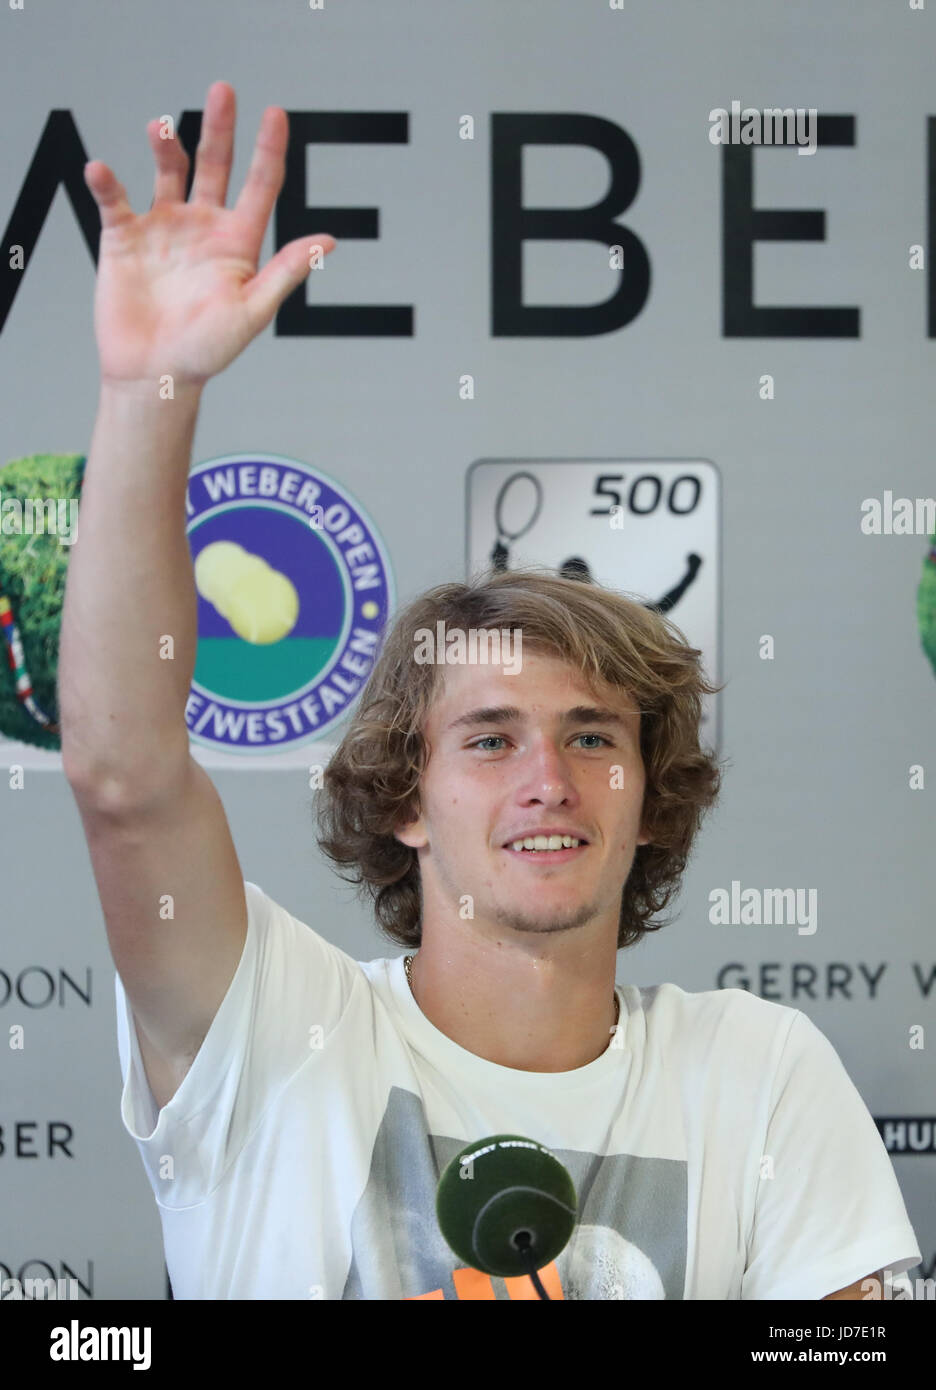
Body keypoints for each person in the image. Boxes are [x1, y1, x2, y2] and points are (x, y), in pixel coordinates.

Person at [61, 80, 921, 1301]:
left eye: (592, 734)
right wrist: (149, 394)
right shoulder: (271, 1033)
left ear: (648, 790)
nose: (548, 780)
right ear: (408, 797)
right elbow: (122, 777)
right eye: (488, 737)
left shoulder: (759, 1067)